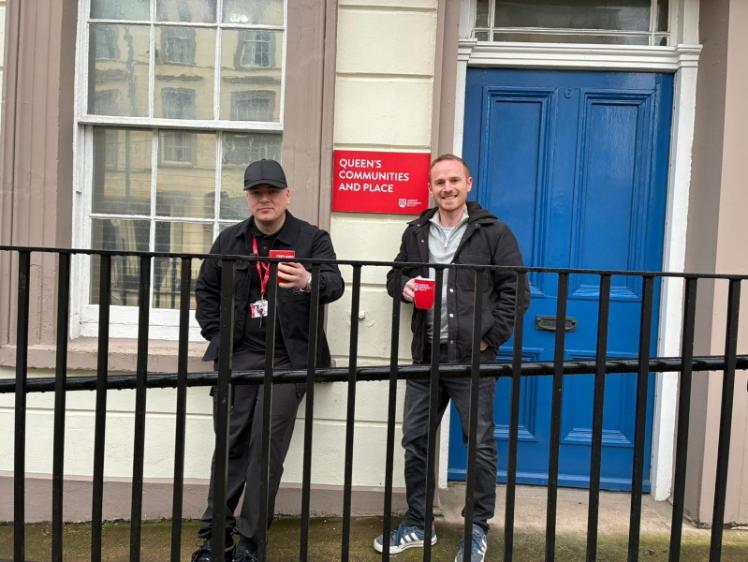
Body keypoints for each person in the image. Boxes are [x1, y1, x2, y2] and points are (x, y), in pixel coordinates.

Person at [374, 154, 528, 562]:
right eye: (439, 182)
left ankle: (476, 528)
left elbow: (516, 292)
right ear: (431, 188)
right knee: (416, 440)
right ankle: (418, 522)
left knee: (479, 445)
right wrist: (405, 286)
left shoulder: (494, 232)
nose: (447, 188)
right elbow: (395, 276)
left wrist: (488, 340)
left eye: (454, 180)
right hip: (426, 355)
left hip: (473, 359)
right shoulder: (416, 232)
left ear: (468, 184)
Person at [192, 159, 344, 562]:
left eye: (272, 192)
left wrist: (309, 280)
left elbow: (335, 284)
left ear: (287, 195)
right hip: (239, 354)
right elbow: (206, 290)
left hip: (288, 358)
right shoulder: (230, 240)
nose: (265, 199)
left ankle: (251, 544)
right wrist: (218, 336)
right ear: (248, 198)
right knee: (231, 446)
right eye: (256, 193)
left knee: (266, 450)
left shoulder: (312, 239)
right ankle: (214, 539)